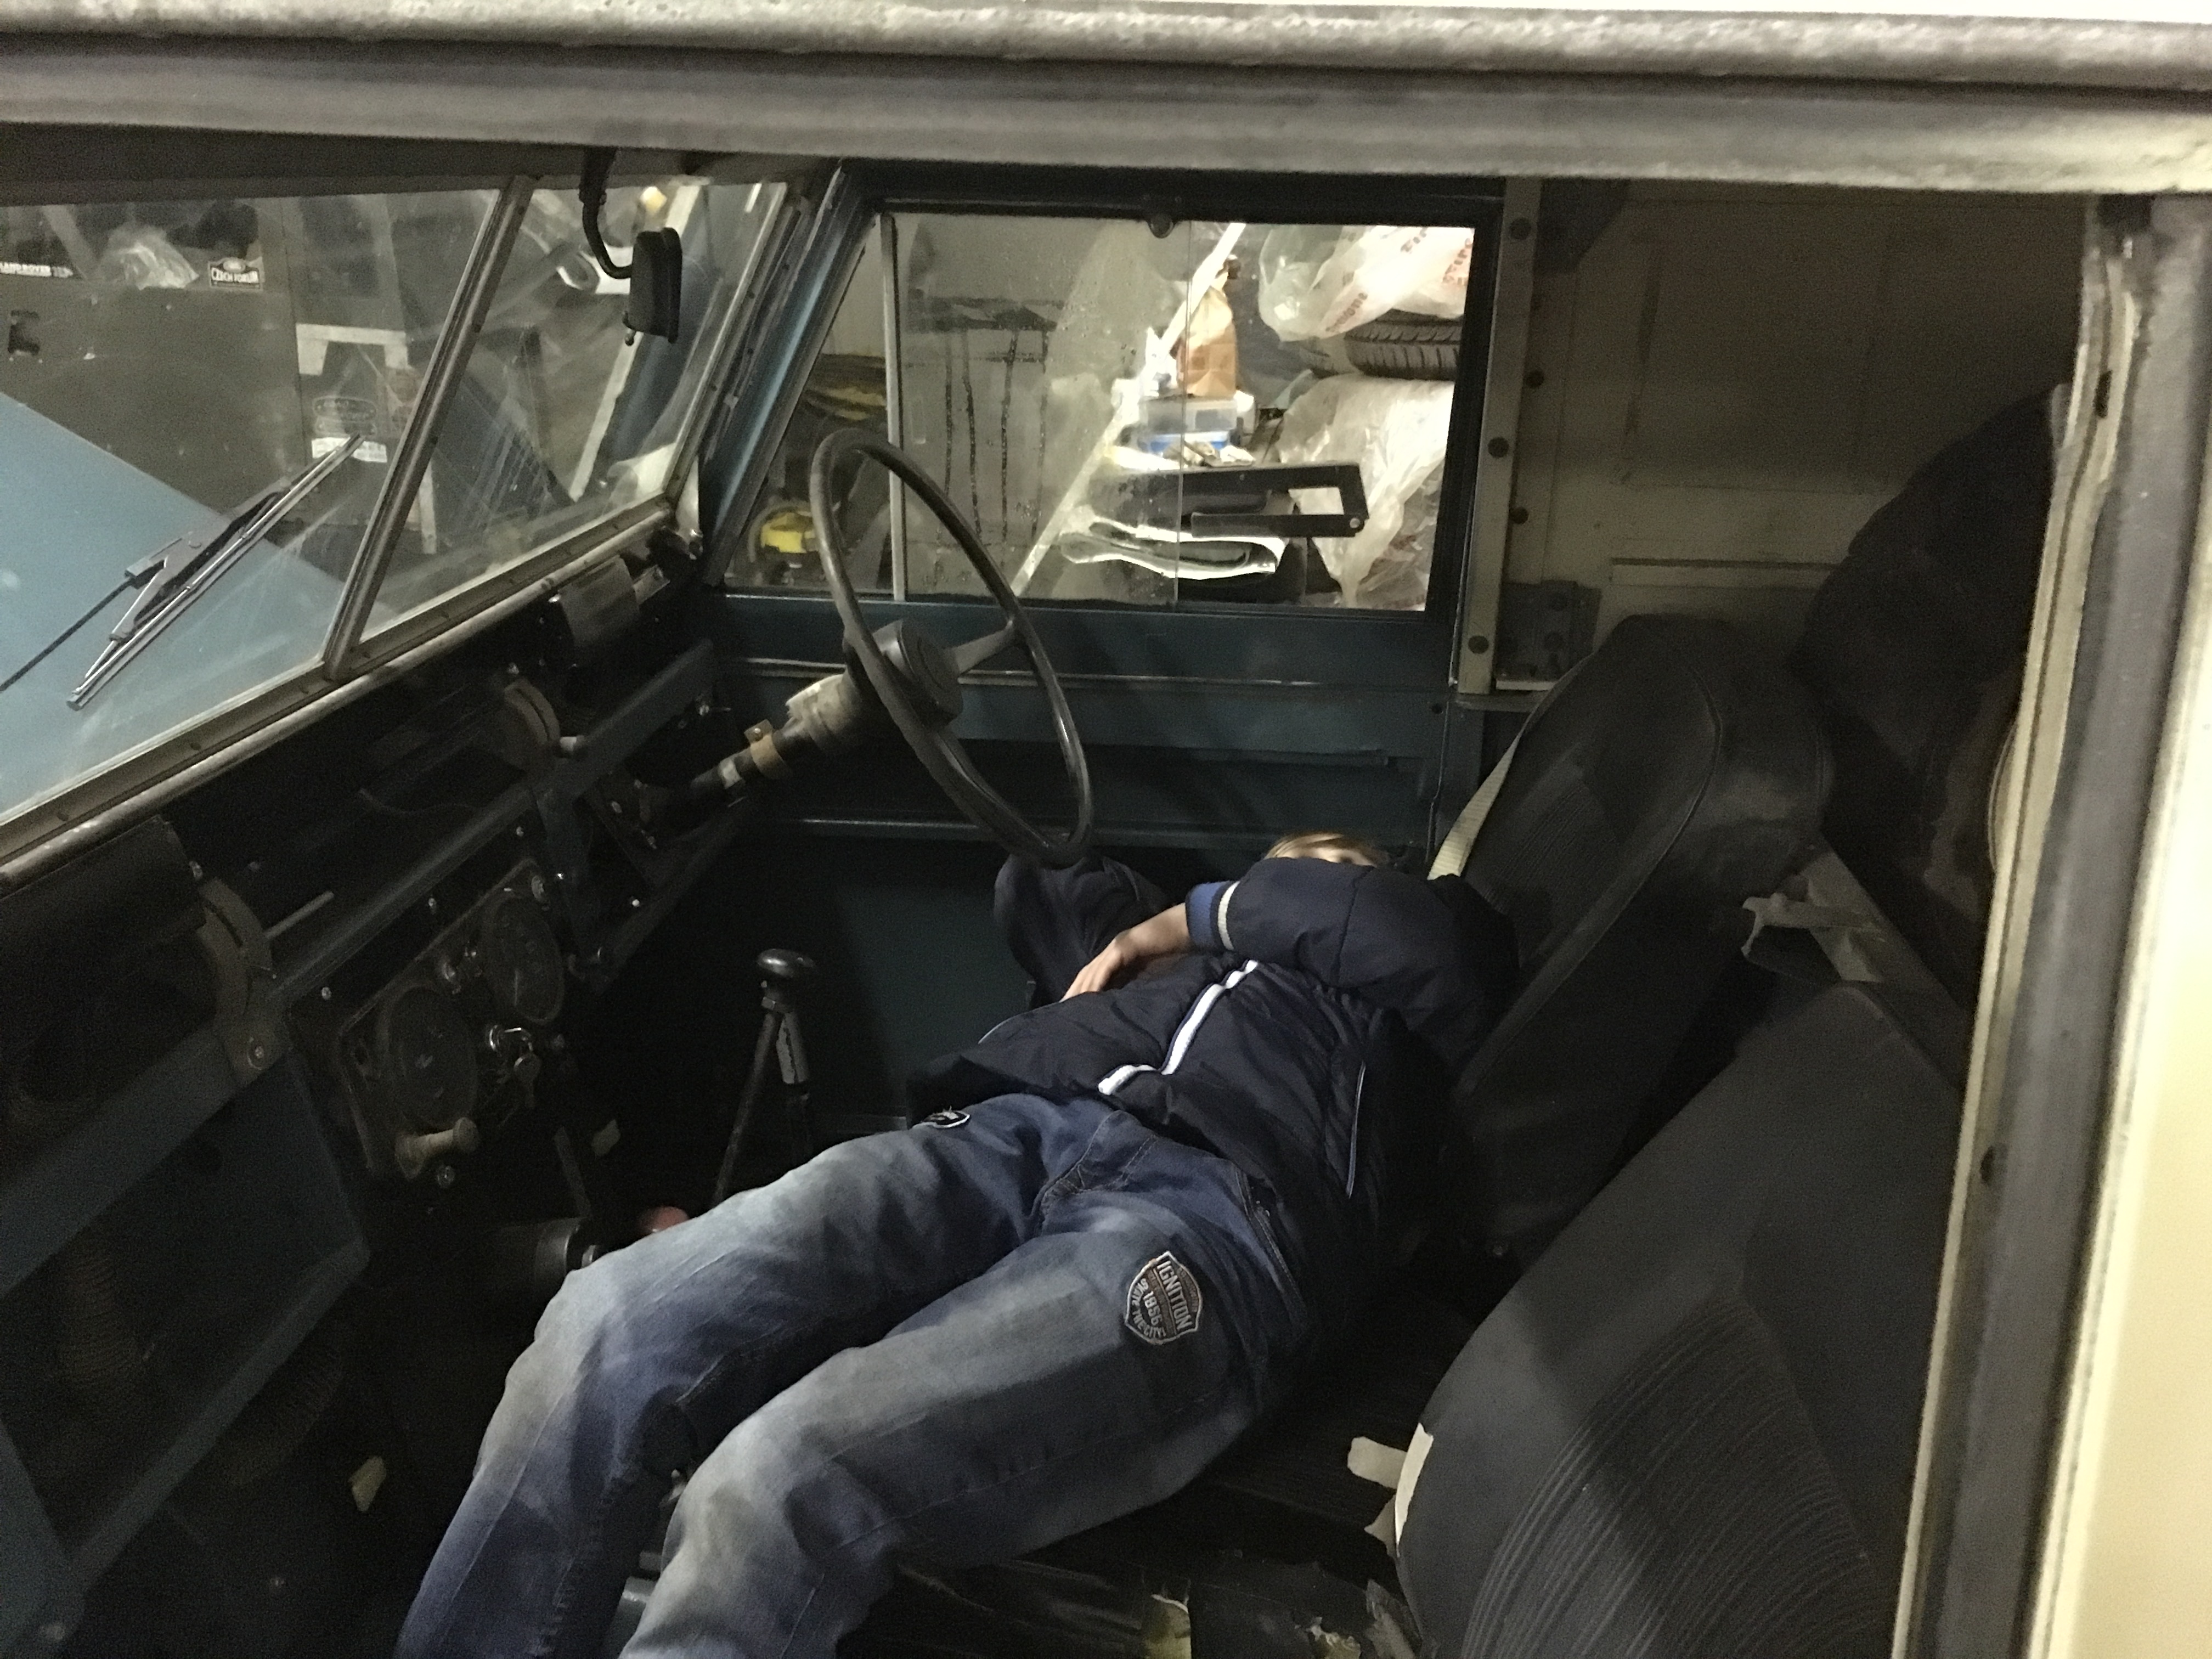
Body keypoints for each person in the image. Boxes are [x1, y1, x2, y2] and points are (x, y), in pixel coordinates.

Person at [396, 832, 1516, 1659]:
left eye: (1340, 872)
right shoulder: (1162, 960)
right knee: (605, 1323)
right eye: (1296, 866)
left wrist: (1204, 913)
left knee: (780, 1481)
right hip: (1005, 1134)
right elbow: (1038, 875)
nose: (1315, 887)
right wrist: (1145, 920)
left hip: (1212, 1219)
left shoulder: (1399, 968)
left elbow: (1427, 950)